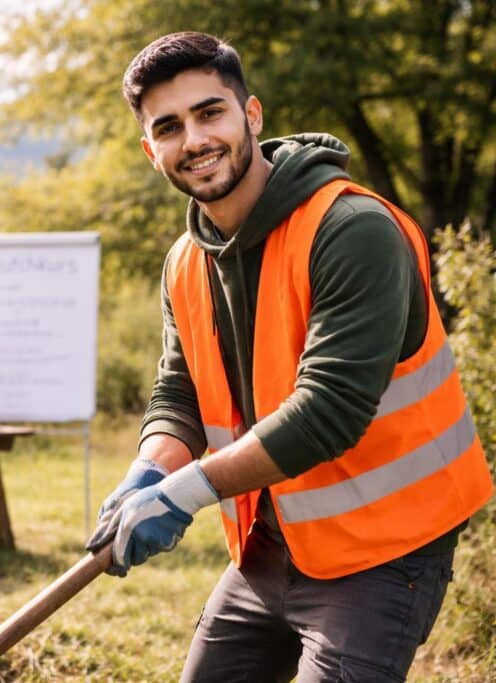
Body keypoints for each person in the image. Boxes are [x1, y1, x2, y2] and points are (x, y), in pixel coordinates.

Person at [85, 32, 493, 682]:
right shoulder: (185, 263)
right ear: (150, 150)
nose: (192, 139)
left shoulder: (352, 231)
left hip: (388, 549)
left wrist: (184, 493)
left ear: (251, 114)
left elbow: (329, 412)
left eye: (209, 112)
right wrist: (149, 467)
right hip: (272, 547)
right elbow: (180, 393)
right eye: (168, 126)